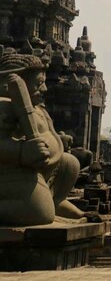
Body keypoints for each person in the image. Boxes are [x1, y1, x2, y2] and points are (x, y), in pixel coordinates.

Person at [0, 53, 85, 225]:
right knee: (39, 212)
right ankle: (41, 207)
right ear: (8, 84)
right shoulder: (4, 107)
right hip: (12, 174)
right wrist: (20, 152)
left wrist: (59, 139)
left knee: (69, 163)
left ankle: (55, 200)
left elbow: (46, 130)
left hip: (43, 170)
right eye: (38, 84)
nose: (45, 89)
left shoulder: (36, 108)